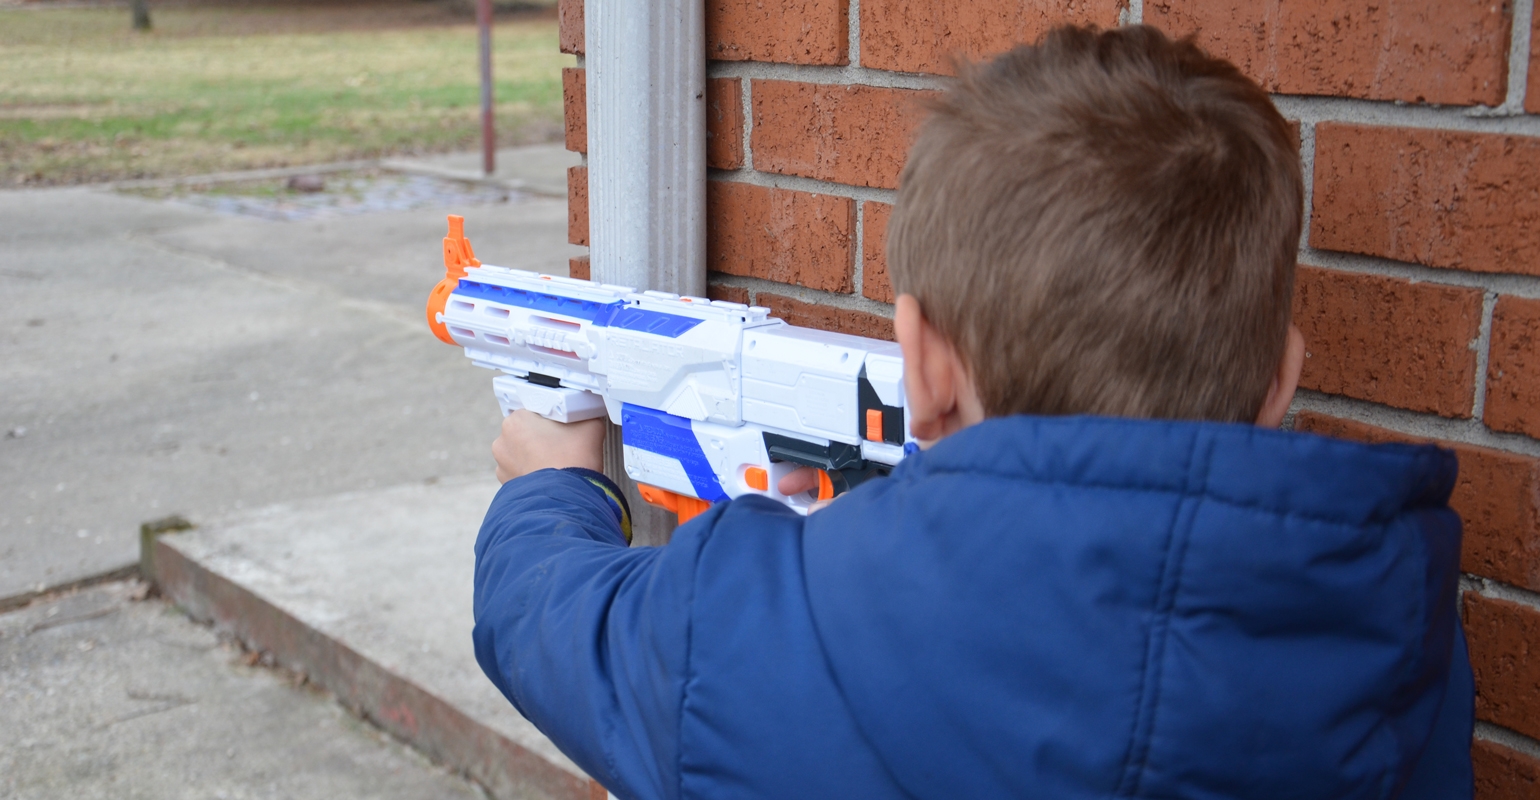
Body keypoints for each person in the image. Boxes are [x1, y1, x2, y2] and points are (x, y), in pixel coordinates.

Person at [472, 24, 1472, 800]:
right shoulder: (1392, 630)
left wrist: (553, 484)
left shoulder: (752, 620)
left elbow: (552, 619)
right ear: (1283, 375)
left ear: (920, 359)